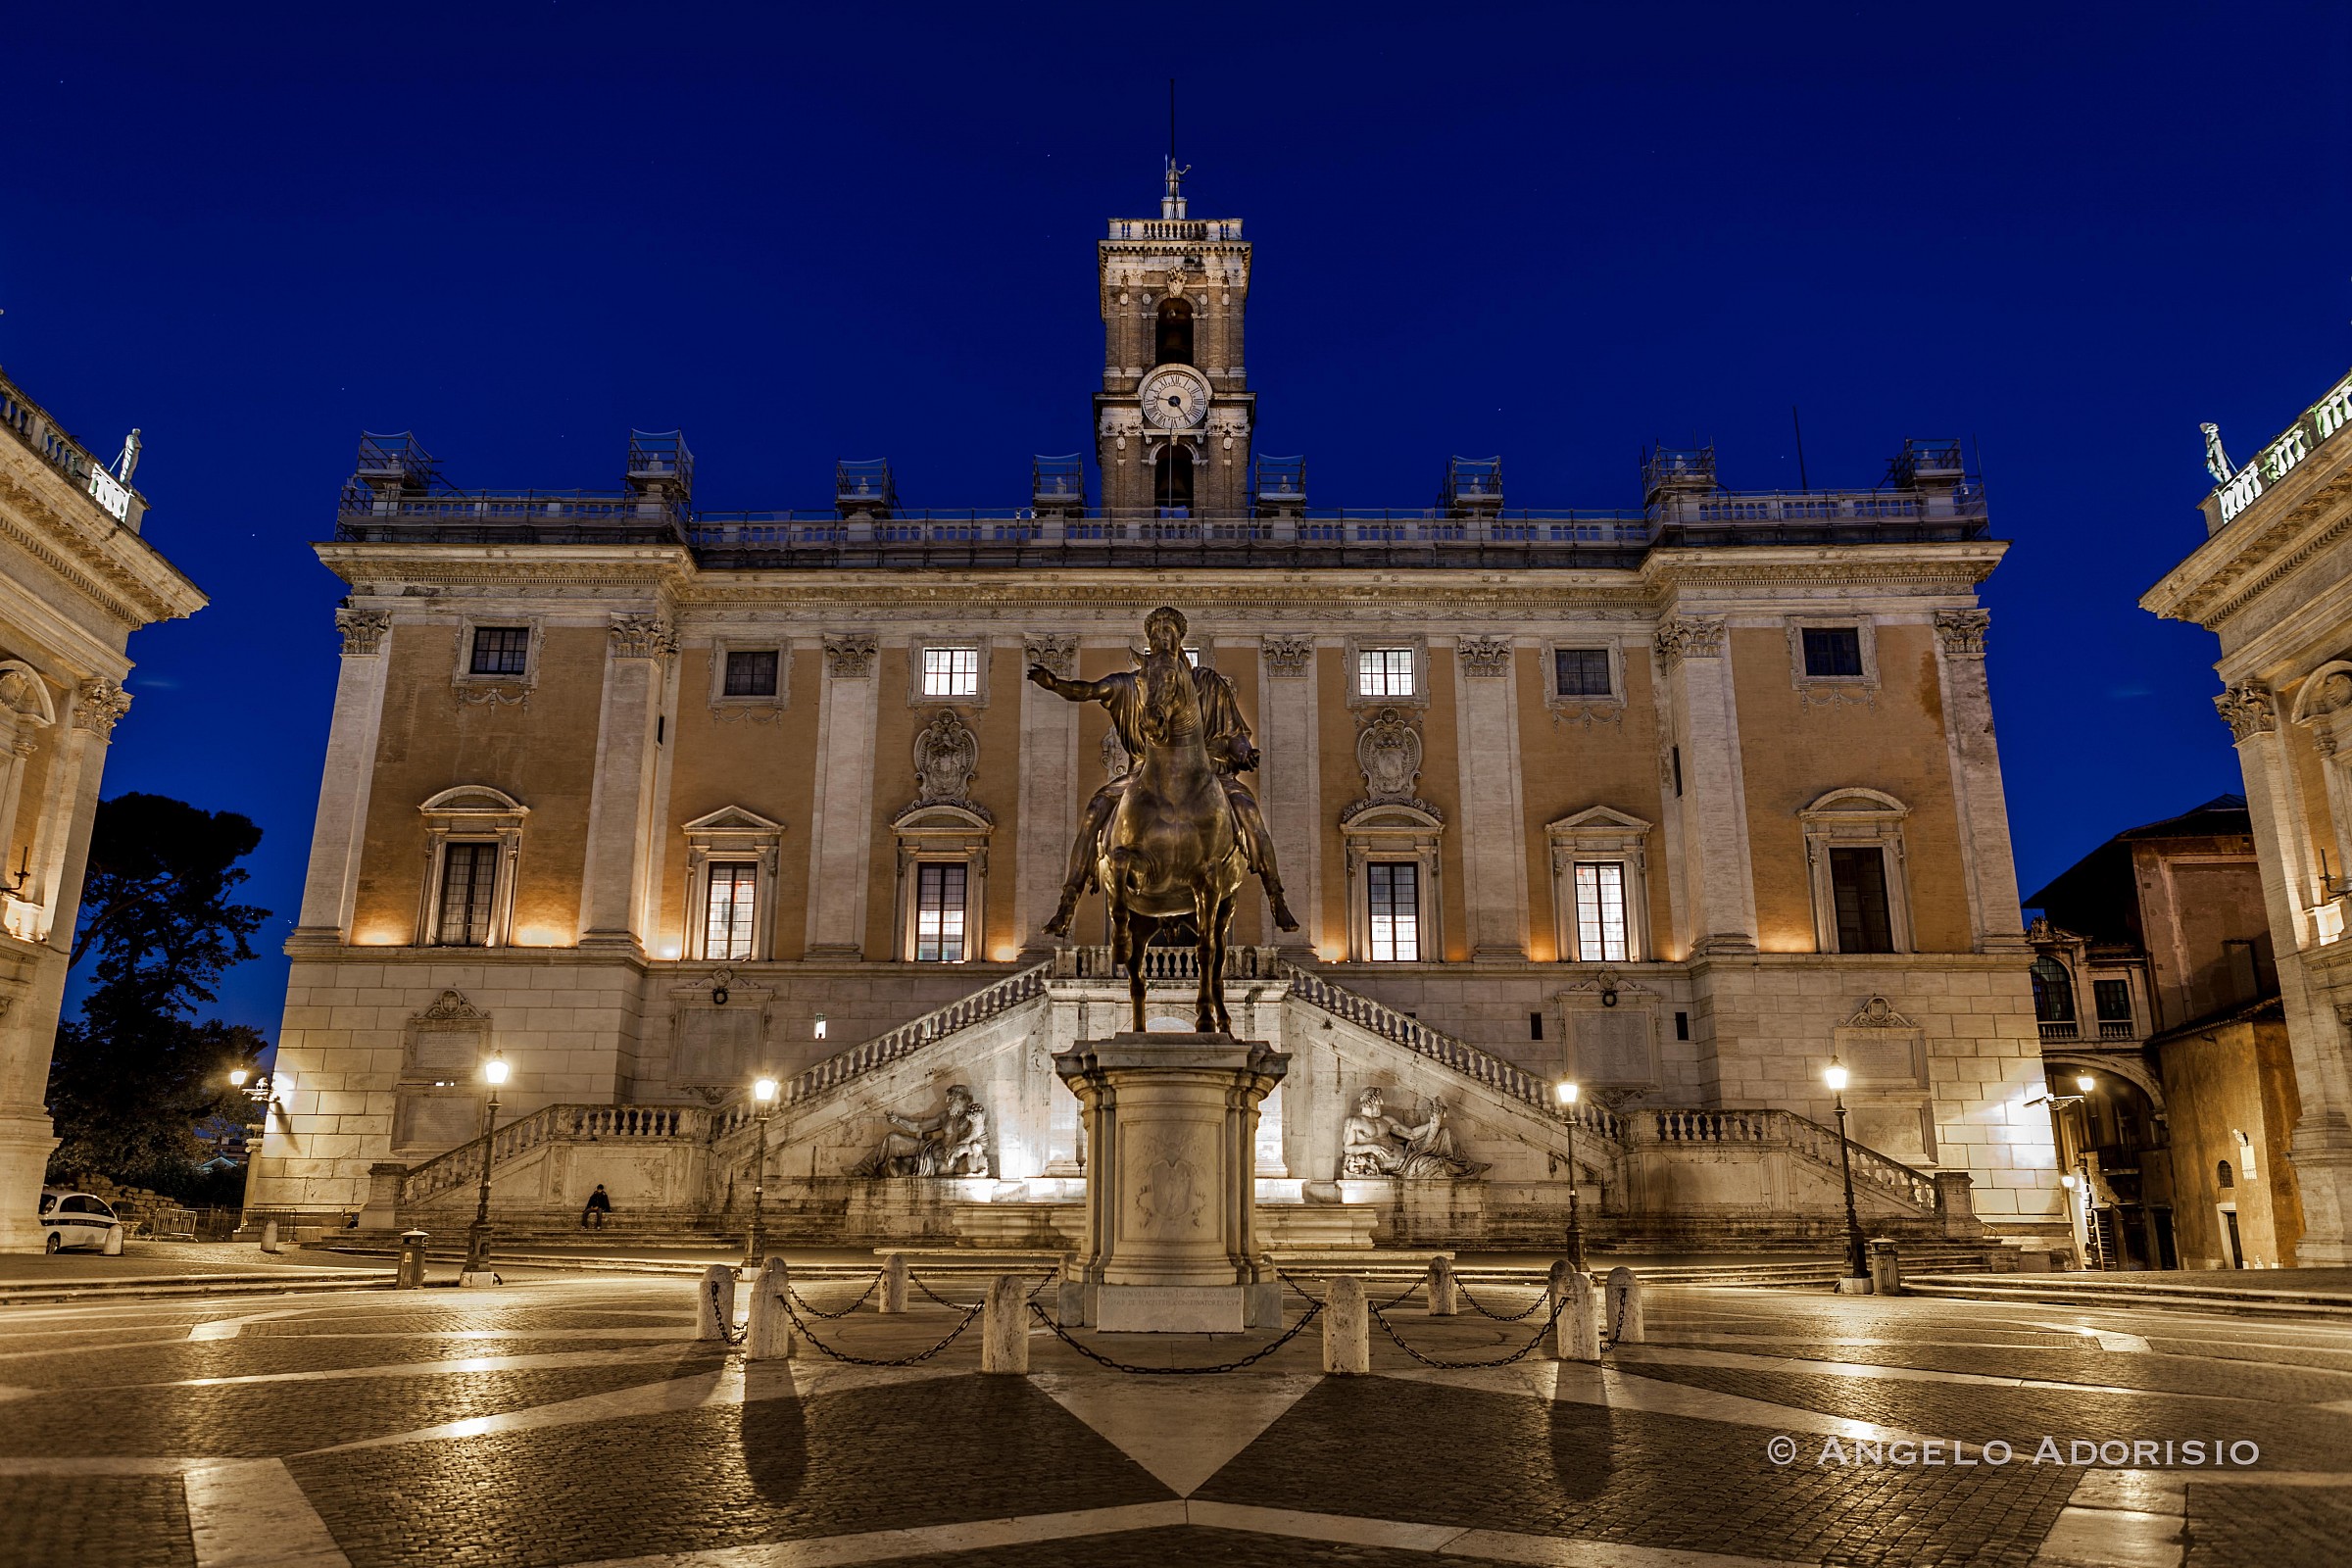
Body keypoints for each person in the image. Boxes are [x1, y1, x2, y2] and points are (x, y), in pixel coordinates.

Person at [1026, 606, 1297, 936]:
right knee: (1095, 810)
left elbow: (1234, 733)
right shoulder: (1138, 682)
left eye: (1167, 631)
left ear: (1179, 638)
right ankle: (1067, 903)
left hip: (1210, 773)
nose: (1161, 637)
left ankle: (1276, 896)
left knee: (1250, 813)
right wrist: (1056, 684)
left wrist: (1245, 753)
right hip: (1144, 773)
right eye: (1155, 633)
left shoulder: (1206, 682)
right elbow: (1091, 690)